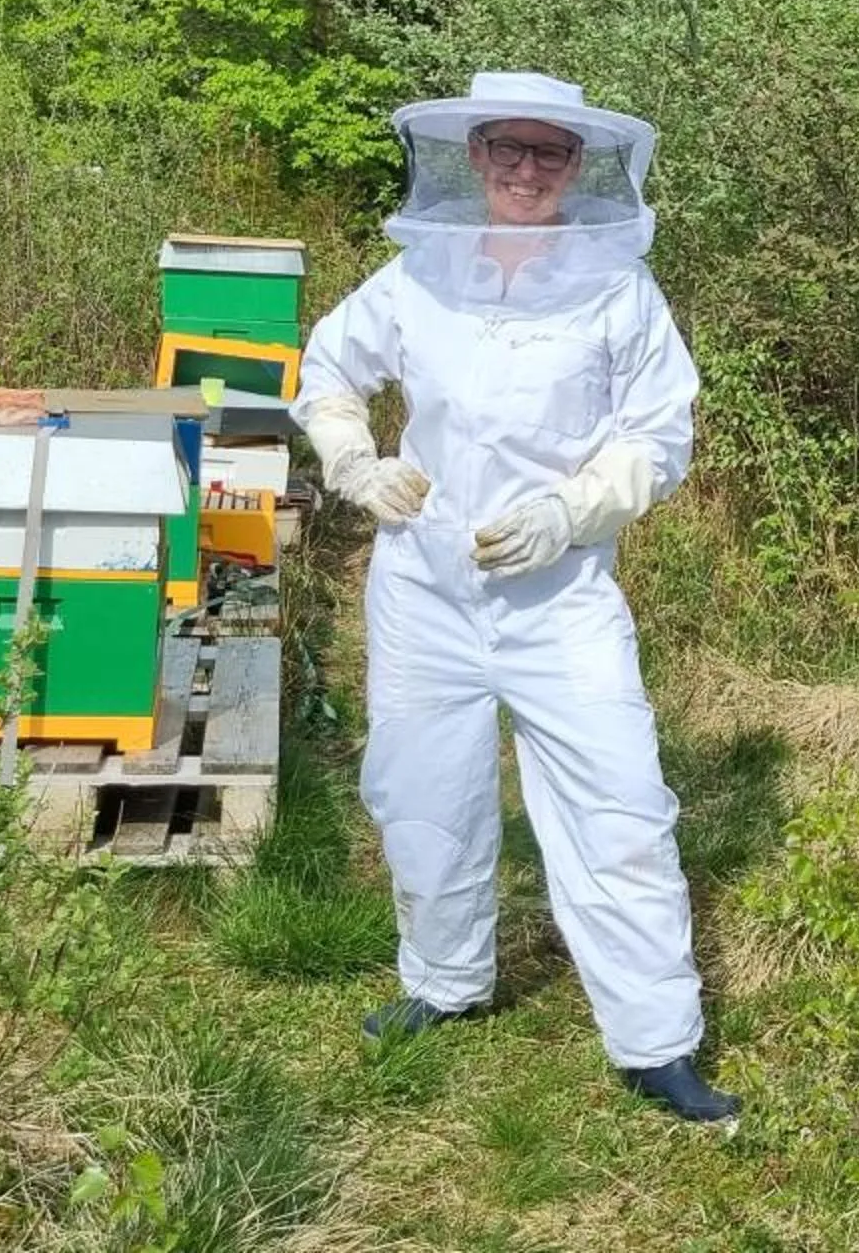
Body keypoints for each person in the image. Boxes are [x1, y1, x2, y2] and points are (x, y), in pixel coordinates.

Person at [290, 71, 738, 1123]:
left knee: (619, 802)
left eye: (547, 154)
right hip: (425, 588)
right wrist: (354, 461)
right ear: (475, 158)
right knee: (422, 795)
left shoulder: (619, 288)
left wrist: (572, 511)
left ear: (578, 167)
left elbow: (659, 435)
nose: (526, 171)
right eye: (508, 151)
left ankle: (655, 1041)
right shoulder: (417, 276)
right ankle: (443, 983)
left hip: (562, 594)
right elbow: (328, 368)